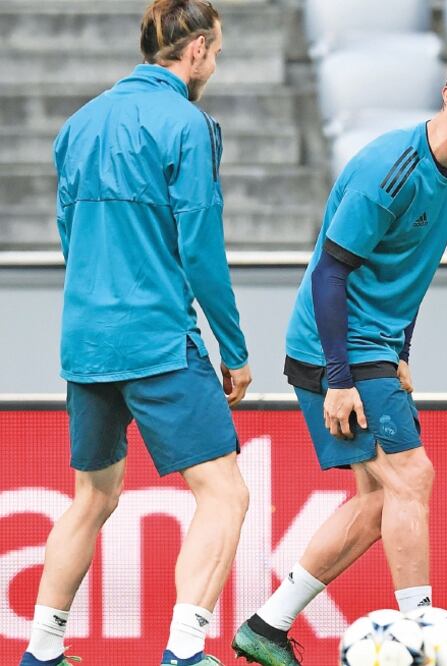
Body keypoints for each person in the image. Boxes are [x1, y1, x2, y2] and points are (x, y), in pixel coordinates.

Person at [231, 44, 447, 666]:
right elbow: (330, 274)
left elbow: (413, 268)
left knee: (380, 498)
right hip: (334, 346)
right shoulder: (389, 169)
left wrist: (401, 350)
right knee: (413, 477)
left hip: (373, 348)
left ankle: (266, 626)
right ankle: (423, 639)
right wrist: (338, 379)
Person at [21, 2, 253, 665]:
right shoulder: (188, 123)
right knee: (225, 493)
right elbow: (202, 250)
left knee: (92, 497)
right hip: (156, 338)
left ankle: (42, 651)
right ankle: (184, 652)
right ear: (199, 49)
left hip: (87, 340)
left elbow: (70, 236)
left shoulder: (78, 125)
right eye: (217, 53)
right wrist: (233, 349)